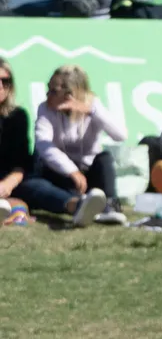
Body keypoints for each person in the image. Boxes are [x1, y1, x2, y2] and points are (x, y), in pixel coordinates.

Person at [15, 65, 128, 226]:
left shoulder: (94, 105)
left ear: (70, 95)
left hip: (88, 173)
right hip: (60, 175)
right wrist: (72, 171)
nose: (47, 95)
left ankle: (111, 207)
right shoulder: (45, 109)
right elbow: (43, 144)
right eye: (48, 89)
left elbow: (121, 135)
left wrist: (91, 111)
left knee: (105, 158)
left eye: (53, 91)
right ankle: (78, 205)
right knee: (30, 185)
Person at [0, 58, 30, 226]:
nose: (0, 86)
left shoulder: (17, 116)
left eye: (5, 81)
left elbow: (21, 162)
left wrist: (7, 184)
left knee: (35, 188)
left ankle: (77, 205)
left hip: (8, 180)